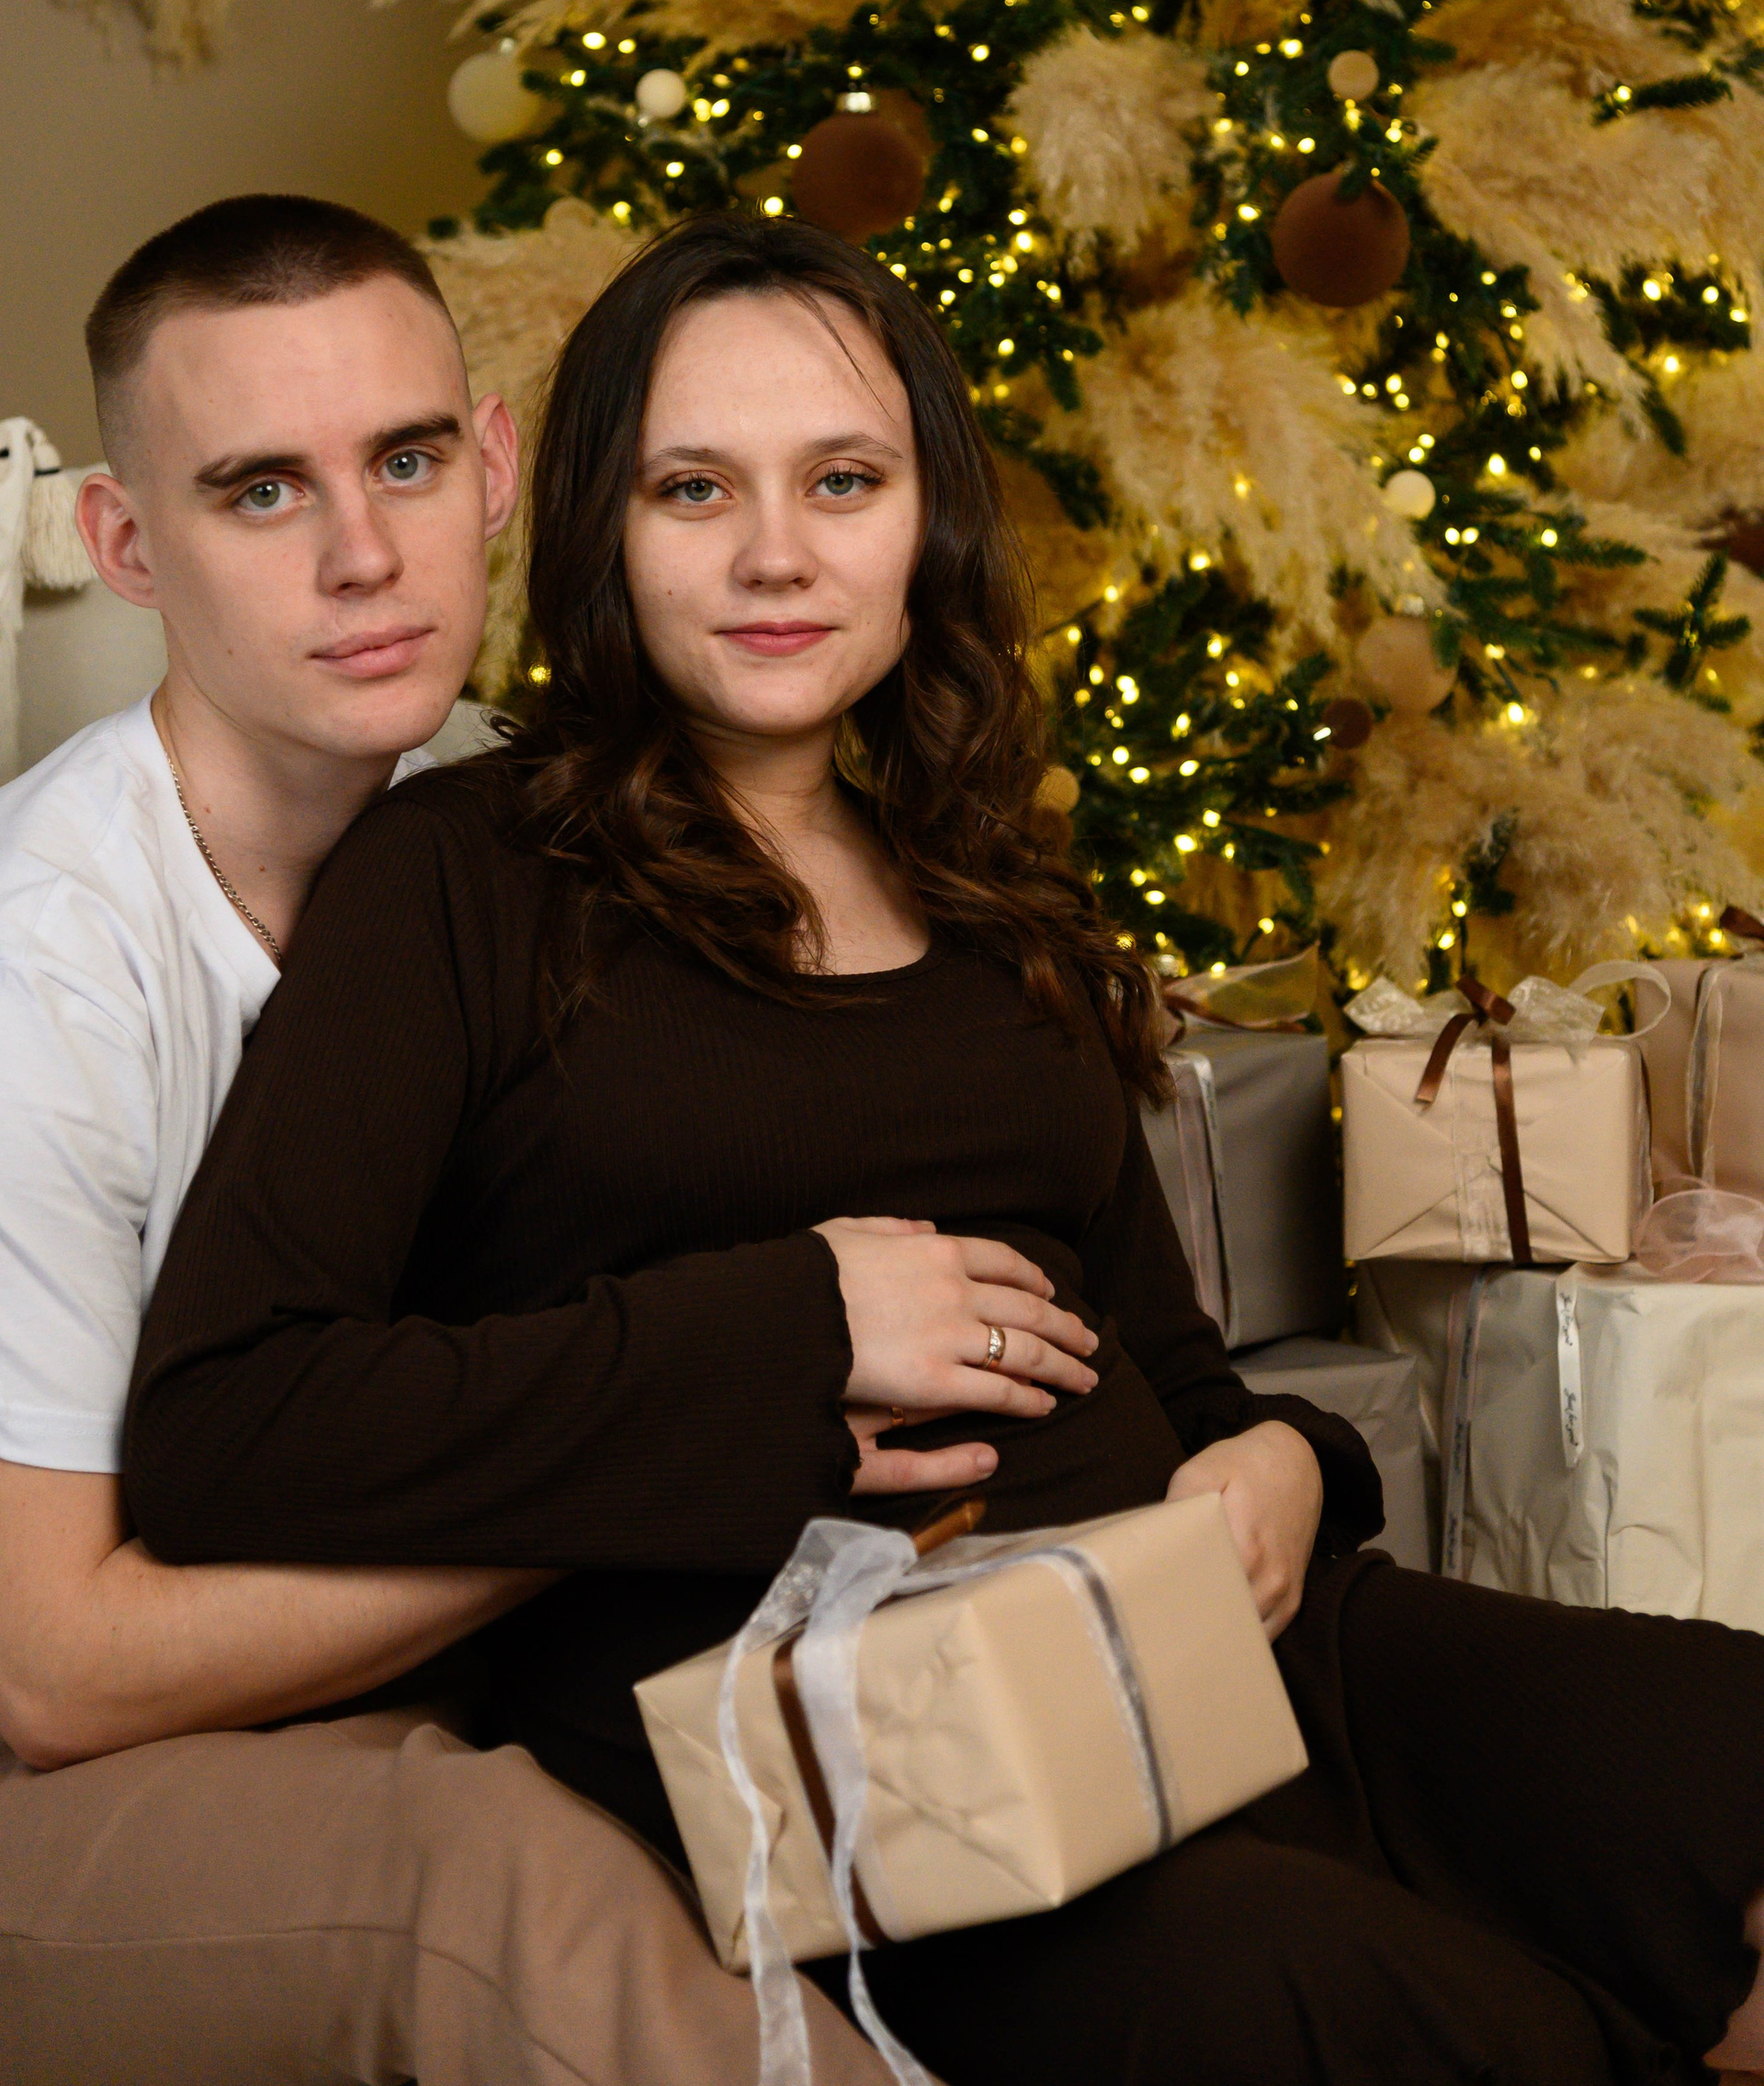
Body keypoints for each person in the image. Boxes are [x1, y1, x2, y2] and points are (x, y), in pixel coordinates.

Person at [127, 210, 1764, 2086]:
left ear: (927, 522)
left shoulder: (989, 884)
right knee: (1355, 2000)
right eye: (692, 487)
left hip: (1219, 1650)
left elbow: (1167, 1362)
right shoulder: (463, 879)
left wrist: (1288, 1463)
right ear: (597, 527)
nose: (777, 553)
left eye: (845, 480)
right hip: (877, 1762)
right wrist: (798, 1325)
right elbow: (231, 1425)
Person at [0, 192, 966, 2086]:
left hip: (407, 1682)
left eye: (408, 460)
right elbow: (53, 1674)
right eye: (260, 492)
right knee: (505, 1884)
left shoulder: (513, 816)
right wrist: (676, 1454)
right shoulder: (50, 974)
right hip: (61, 1777)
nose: (364, 556)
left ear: (500, 467)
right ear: (123, 542)